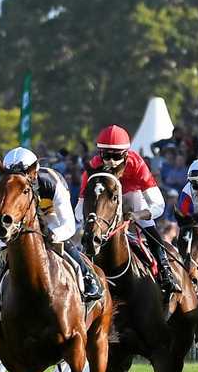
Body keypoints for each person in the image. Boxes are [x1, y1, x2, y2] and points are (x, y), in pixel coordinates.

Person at [0, 147, 103, 313]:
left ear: (33, 172)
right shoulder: (6, 187)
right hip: (22, 222)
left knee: (60, 239)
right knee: (5, 248)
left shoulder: (51, 182)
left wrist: (51, 234)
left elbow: (68, 225)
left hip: (51, 217)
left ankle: (87, 277)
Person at [77, 124, 180, 294]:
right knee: (89, 232)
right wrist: (91, 220)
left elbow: (158, 205)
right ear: (99, 153)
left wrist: (137, 215)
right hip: (105, 201)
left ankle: (165, 270)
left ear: (125, 154)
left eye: (116, 156)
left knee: (147, 225)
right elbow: (79, 207)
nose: (111, 161)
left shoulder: (137, 163)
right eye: (106, 155)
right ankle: (84, 274)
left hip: (131, 197)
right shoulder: (93, 166)